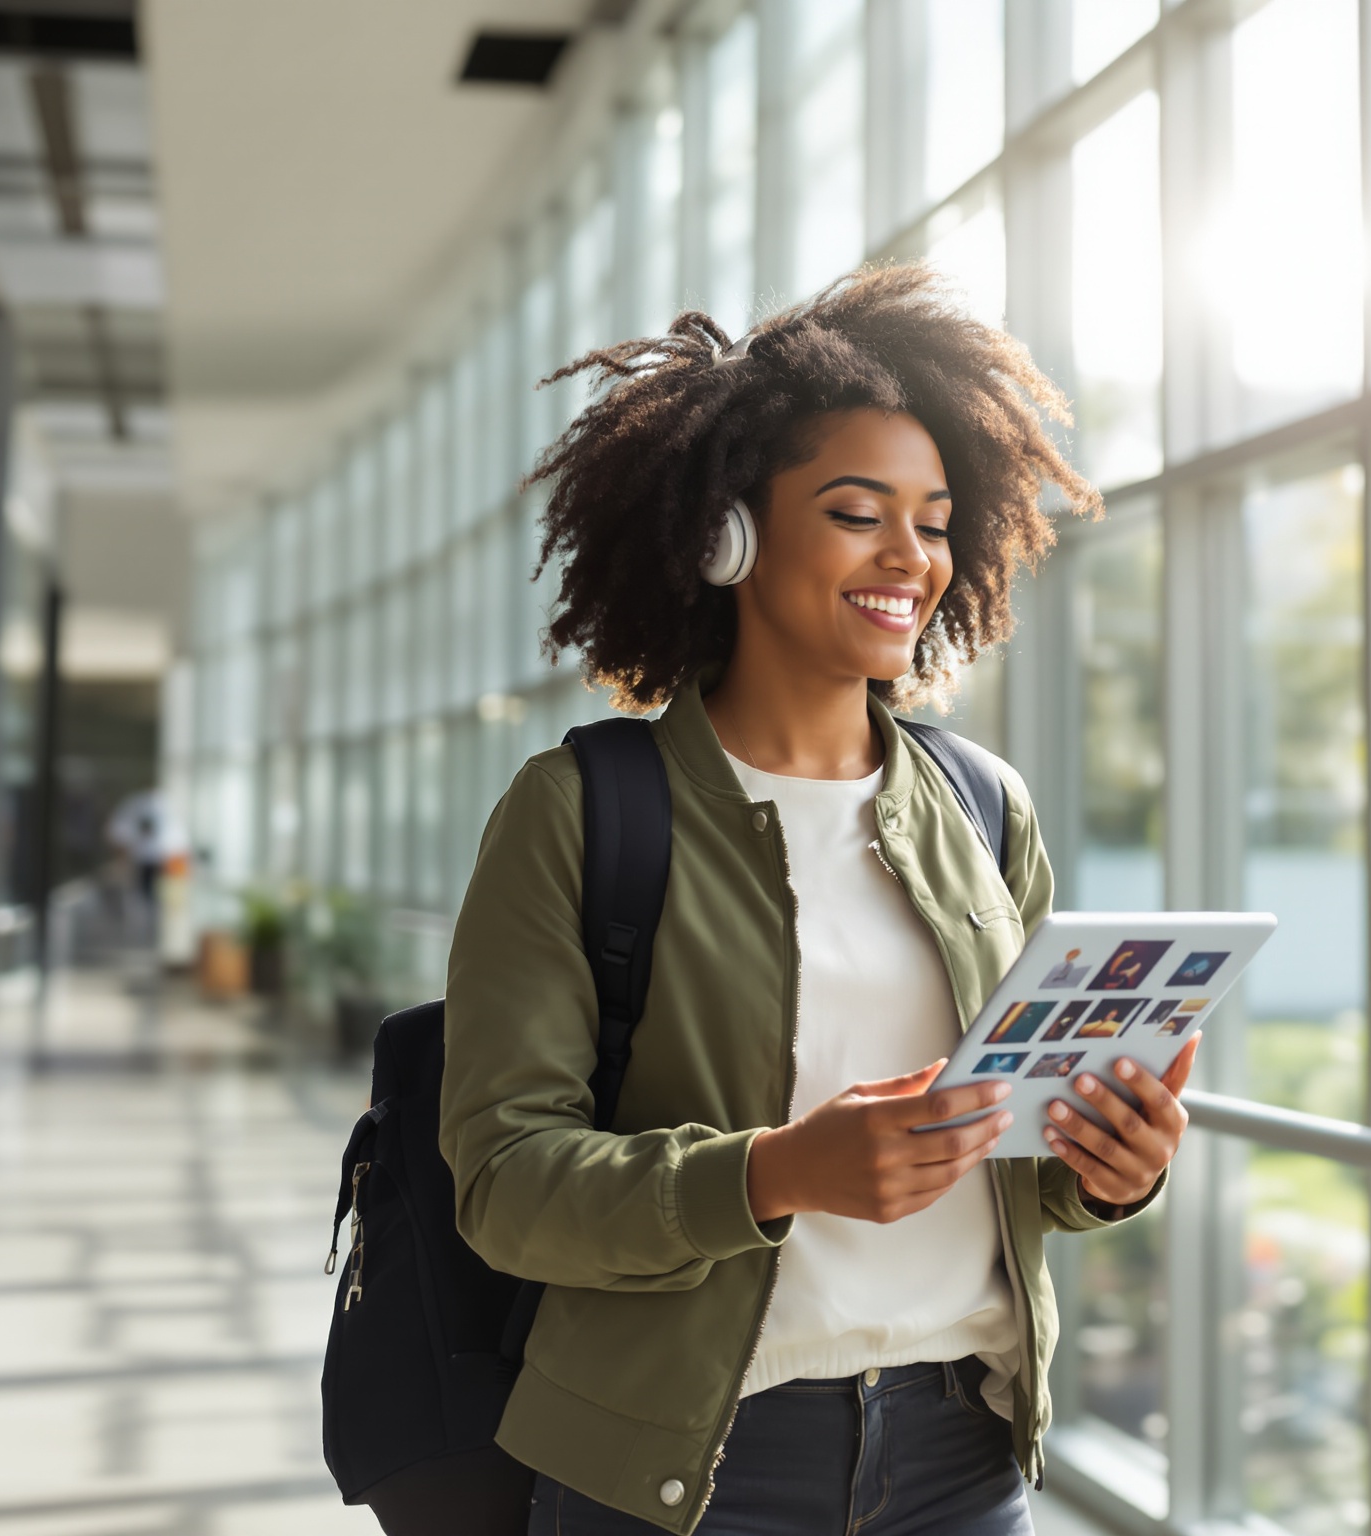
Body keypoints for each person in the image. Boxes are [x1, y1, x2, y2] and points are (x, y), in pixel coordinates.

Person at [441, 266, 1203, 1536]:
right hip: (685, 1474)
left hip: (961, 1458)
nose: (910, 556)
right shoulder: (582, 811)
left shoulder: (982, 806)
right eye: (858, 512)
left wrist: (1110, 1169)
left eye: (935, 519)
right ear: (725, 535)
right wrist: (775, 1173)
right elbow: (505, 1185)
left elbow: (1023, 1174)